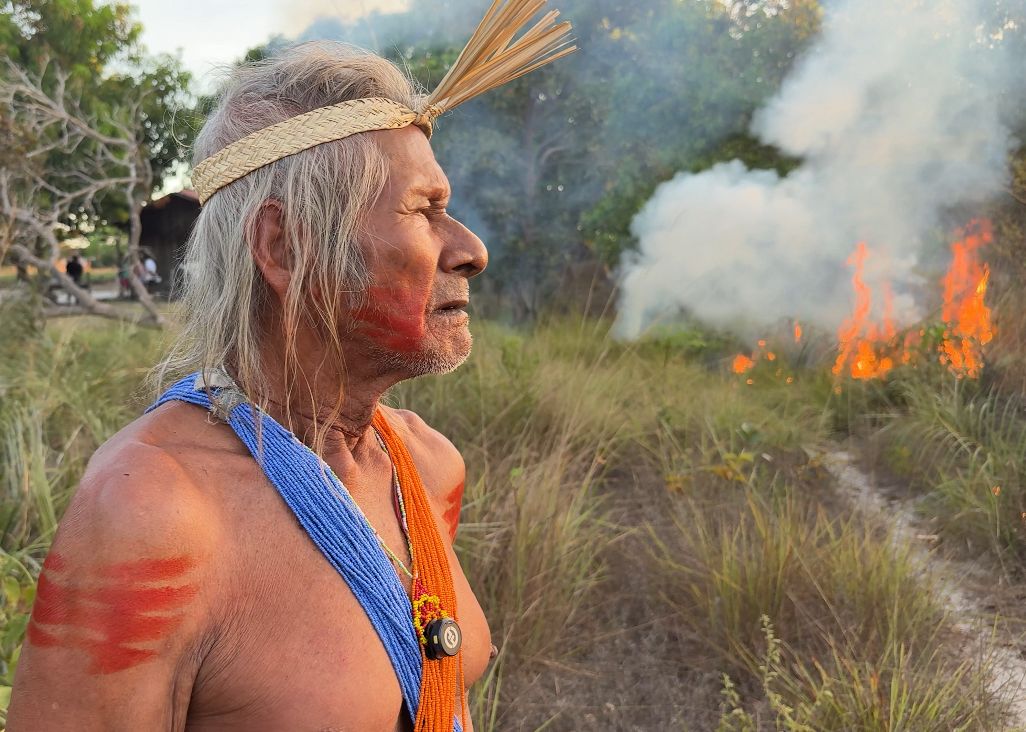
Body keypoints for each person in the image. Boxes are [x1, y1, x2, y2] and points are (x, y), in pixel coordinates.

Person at [7, 3, 574, 730]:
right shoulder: (153, 511)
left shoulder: (428, 469)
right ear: (286, 245)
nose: (470, 249)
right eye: (422, 209)